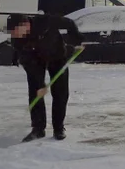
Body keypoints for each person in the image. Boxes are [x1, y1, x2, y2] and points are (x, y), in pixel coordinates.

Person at [9, 12, 83, 142]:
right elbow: (27, 62)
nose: (13, 34)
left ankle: (58, 128)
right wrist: (40, 85)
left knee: (61, 92)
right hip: (35, 61)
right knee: (35, 91)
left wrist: (77, 39)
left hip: (57, 56)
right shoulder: (17, 40)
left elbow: (69, 23)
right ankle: (38, 129)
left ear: (25, 25)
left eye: (15, 31)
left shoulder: (45, 22)